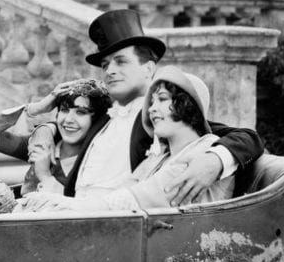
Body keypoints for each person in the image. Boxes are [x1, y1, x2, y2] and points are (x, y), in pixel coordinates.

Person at [62, 9, 262, 203]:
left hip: (120, 221)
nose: (110, 71)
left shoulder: (159, 117)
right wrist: (43, 125)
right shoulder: (105, 117)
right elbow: (68, 128)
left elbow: (247, 138)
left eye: (120, 62)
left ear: (148, 68)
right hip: (72, 215)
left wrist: (215, 160)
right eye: (105, 65)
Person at [19, 66, 235, 212]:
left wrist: (54, 200)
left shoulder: (204, 153)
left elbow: (128, 201)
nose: (151, 109)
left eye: (161, 99)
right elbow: (122, 191)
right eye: (151, 102)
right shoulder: (159, 157)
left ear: (186, 105)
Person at [0, 78, 111, 197]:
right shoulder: (43, 146)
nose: (68, 119)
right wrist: (35, 108)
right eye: (64, 110)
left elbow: (84, 210)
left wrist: (45, 176)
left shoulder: (99, 161)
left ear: (97, 120)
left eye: (81, 112)